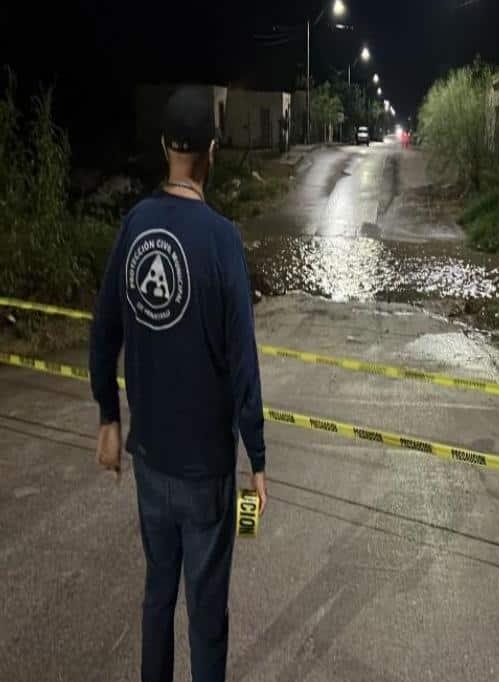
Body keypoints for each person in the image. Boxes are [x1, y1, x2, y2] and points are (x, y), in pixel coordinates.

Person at [89, 85, 267, 682]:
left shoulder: (136, 224)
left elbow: (102, 330)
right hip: (207, 475)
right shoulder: (221, 240)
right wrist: (258, 460)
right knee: (207, 616)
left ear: (166, 147)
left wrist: (109, 420)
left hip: (150, 463)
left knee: (157, 596)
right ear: (211, 152)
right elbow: (243, 362)